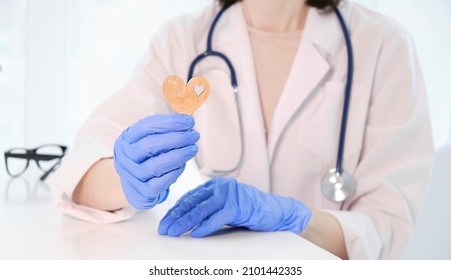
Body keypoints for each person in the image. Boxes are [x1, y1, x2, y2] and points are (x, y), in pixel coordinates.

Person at [50, 0, 435, 260]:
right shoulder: (183, 40)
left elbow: (386, 226)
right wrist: (122, 176)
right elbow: (82, 165)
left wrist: (294, 218)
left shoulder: (383, 44)